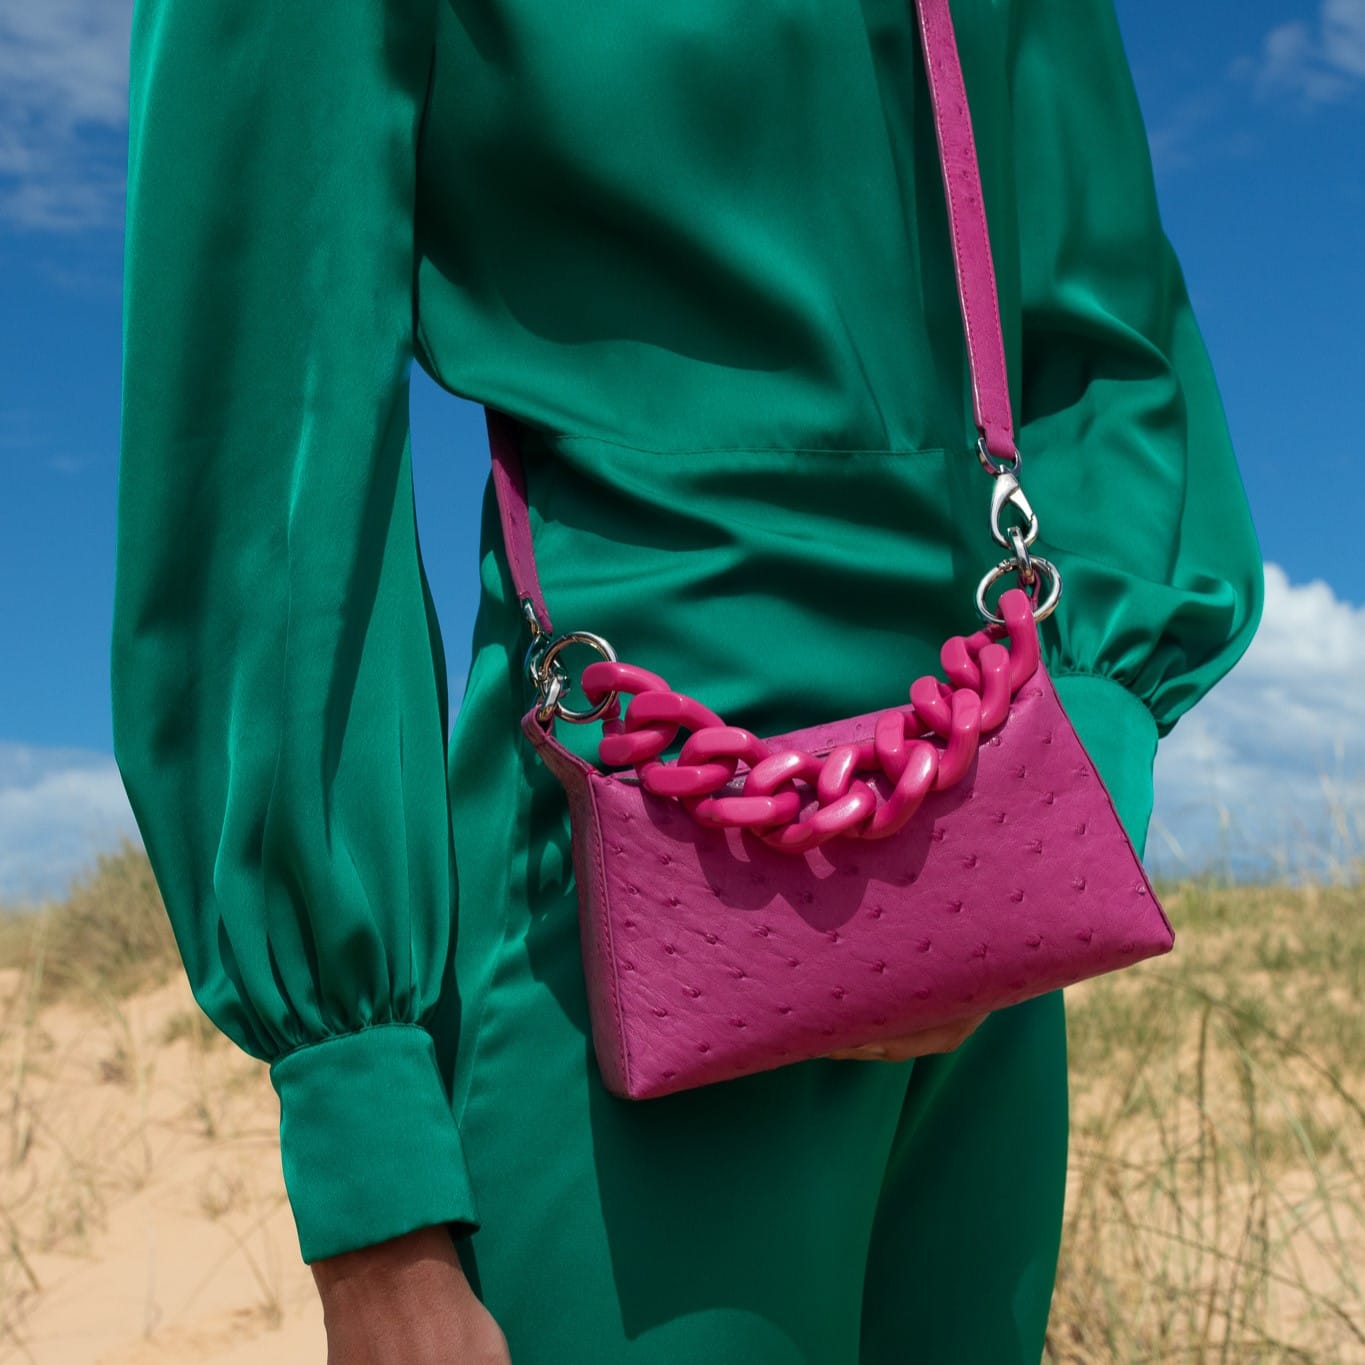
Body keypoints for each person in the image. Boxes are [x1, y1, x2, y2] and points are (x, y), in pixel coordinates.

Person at [111, 0, 1263, 1360]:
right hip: (625, 875)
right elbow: (270, 445)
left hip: (987, 844)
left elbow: (1100, 300)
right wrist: (372, 1177)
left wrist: (1086, 748)